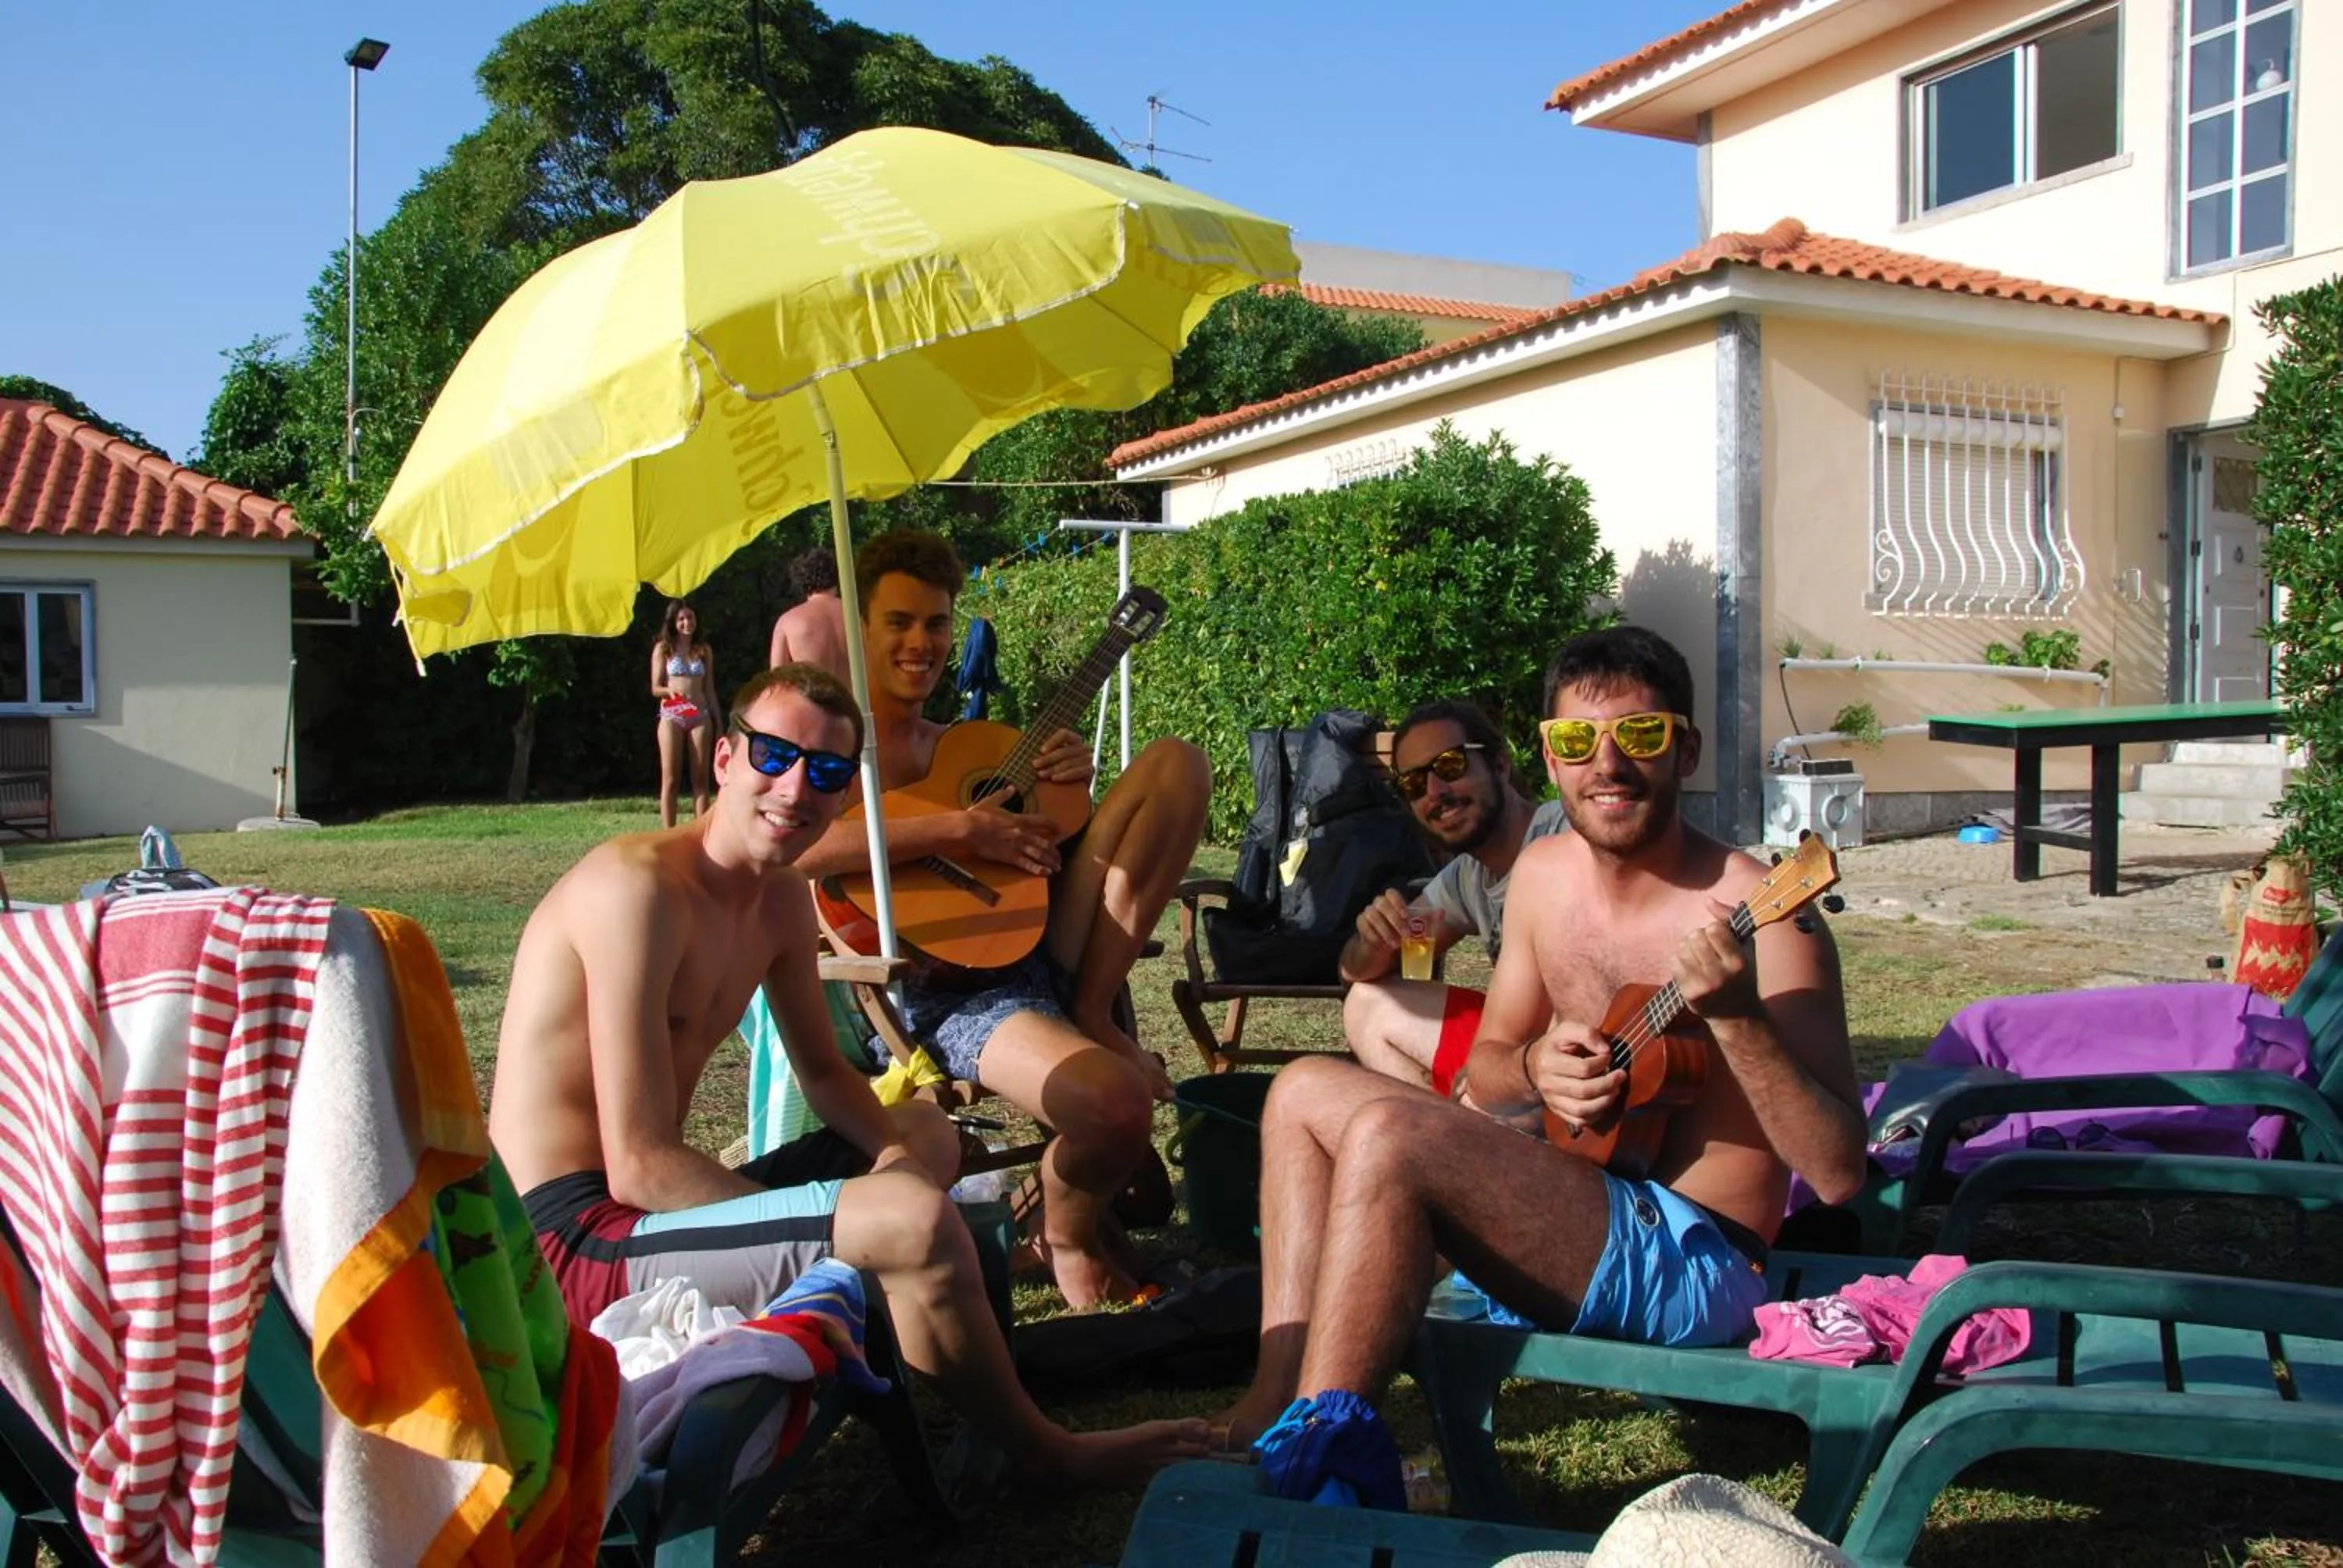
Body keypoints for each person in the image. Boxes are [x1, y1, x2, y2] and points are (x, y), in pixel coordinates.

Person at [490, 662, 1207, 1485]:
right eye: (773, 755)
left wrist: (893, 1160)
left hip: (638, 1212)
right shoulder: (637, 891)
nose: (796, 787)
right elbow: (643, 1164)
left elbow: (828, 1077)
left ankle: (917, 1313)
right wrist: (839, 1221)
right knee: (910, 1219)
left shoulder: (777, 900)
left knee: (926, 1133)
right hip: (568, 1245)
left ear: (844, 799)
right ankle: (1050, 1454)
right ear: (723, 758)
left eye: (828, 772)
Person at [1215, 625, 1865, 1459]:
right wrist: (1532, 1067)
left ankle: (1317, 1454)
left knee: (1394, 1134)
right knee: (1301, 1089)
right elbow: (1489, 1071)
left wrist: (1740, 1020)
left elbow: (1839, 1172)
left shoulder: (1766, 916)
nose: (1608, 764)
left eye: (1640, 734)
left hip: (1698, 1261)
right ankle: (1272, 1399)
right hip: (1576, 1197)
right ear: (1551, 761)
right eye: (1578, 741)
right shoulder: (1542, 877)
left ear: (1687, 750)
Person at [794, 529, 1211, 1310]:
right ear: (860, 627)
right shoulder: (832, 753)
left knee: (1176, 765)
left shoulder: (971, 744)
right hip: (942, 990)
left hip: (1039, 945)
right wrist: (958, 830)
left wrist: (1070, 788)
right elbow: (799, 850)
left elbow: (1048, 849)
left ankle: (1092, 1013)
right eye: (899, 622)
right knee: (1115, 1104)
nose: (921, 643)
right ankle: (1065, 1236)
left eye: (936, 624)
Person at [1339, 699, 1567, 1103]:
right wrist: (1373, 941)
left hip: (1586, 1051)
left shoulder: (1566, 836)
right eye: (1413, 784)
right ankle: (1447, 1133)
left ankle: (1469, 1127)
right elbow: (1362, 970)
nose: (1434, 793)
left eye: (1450, 766)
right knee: (1367, 1004)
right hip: (1516, 1053)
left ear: (1500, 764)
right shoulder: (1466, 877)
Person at [651, 600, 719, 828]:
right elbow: (655, 687)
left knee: (701, 779)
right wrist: (669, 691)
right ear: (673, 622)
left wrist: (719, 723)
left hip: (700, 715)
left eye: (690, 617)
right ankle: (668, 833)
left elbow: (709, 689)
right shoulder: (664, 649)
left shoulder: (704, 650)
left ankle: (700, 832)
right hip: (673, 713)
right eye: (681, 619)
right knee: (671, 779)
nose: (686, 622)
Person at [769, 546, 851, 684]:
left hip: (815, 698)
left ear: (801, 580)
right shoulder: (859, 615)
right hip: (858, 697)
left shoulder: (788, 622)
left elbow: (778, 682)